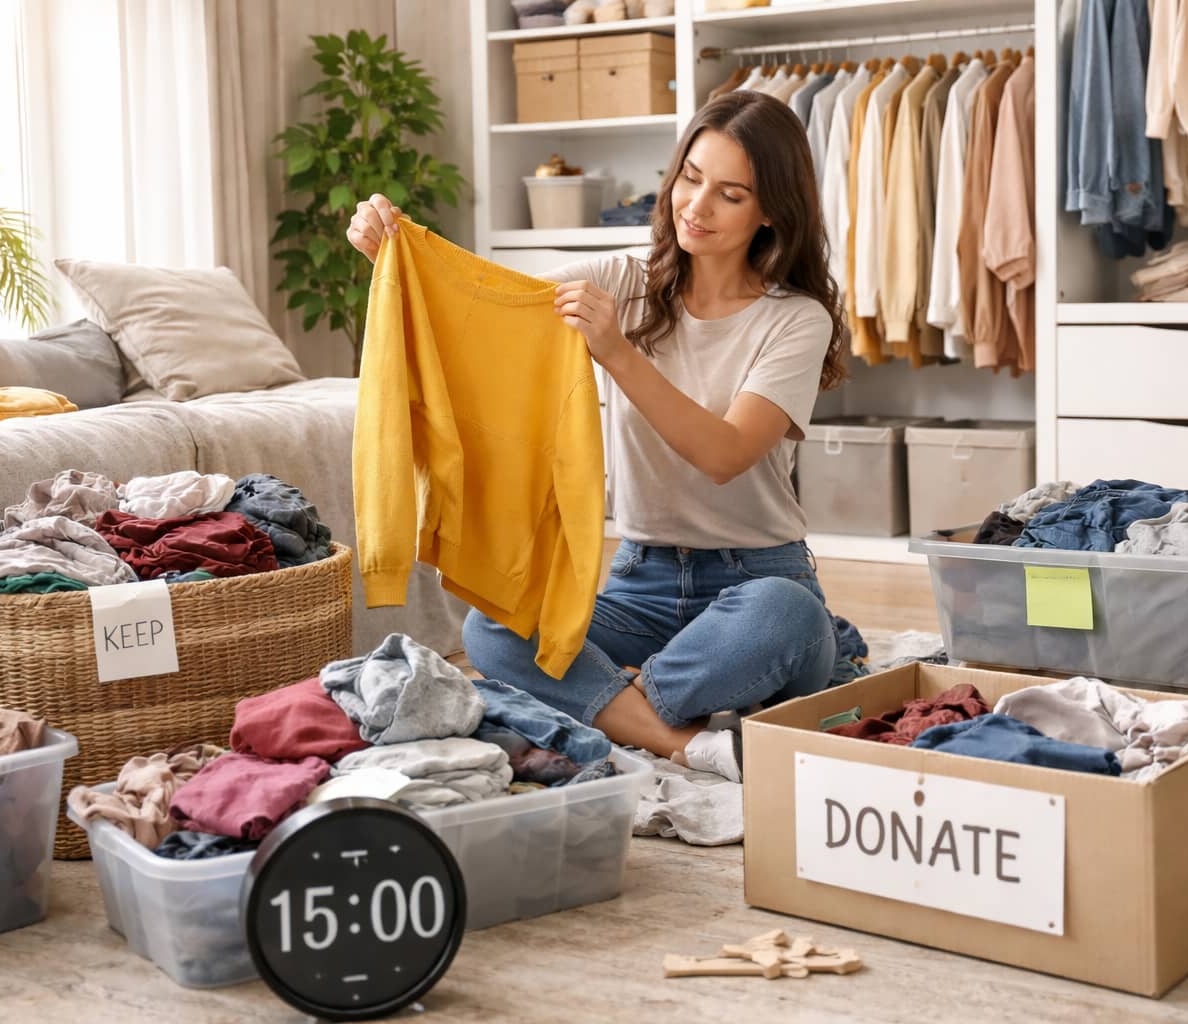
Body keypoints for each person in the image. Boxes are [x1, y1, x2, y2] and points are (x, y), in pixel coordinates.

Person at [346, 91, 851, 782]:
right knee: (491, 625)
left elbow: (724, 454)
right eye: (690, 178)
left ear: (770, 211)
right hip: (638, 582)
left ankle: (617, 700)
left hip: (757, 575)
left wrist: (616, 351)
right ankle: (685, 738)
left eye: (730, 194)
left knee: (786, 619)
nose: (696, 206)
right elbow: (484, 305)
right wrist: (396, 249)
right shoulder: (623, 278)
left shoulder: (795, 320)